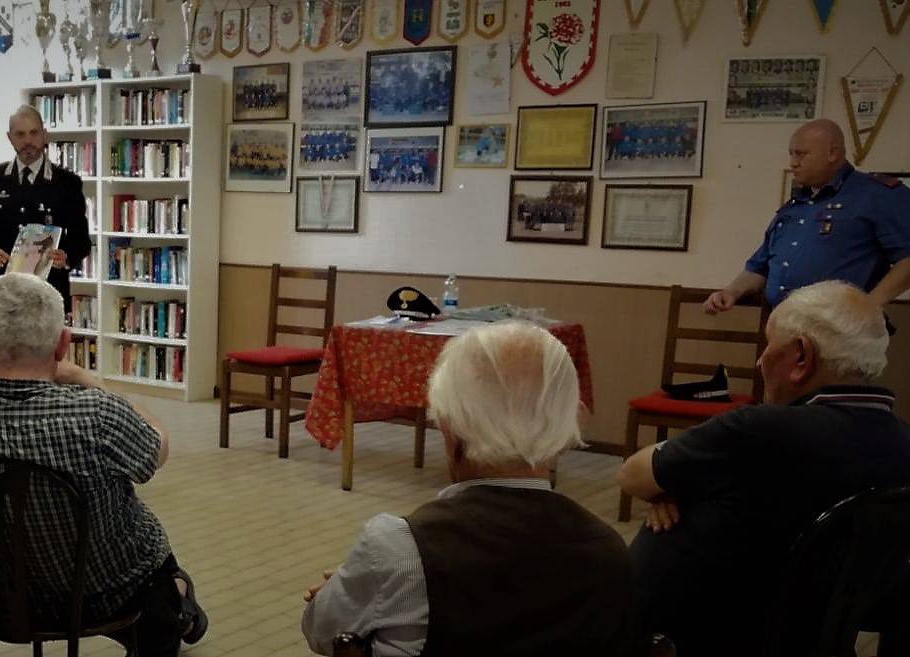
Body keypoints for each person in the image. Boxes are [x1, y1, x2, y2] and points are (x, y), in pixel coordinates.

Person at [302, 321, 639, 657]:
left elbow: (321, 630)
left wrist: (354, 585)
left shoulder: (397, 548)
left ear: (449, 426)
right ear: (571, 423)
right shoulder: (611, 555)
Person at [0, 273, 208, 657]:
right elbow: (156, 450)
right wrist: (88, 381)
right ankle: (178, 603)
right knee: (161, 576)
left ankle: (177, 602)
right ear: (62, 345)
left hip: (7, 595)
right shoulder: (95, 415)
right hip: (110, 593)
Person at [621, 281, 910, 656]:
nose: (760, 361)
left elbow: (632, 474)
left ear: (801, 356)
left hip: (698, 637)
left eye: (768, 345)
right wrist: (677, 486)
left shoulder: (756, 429)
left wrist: (671, 485)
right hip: (811, 639)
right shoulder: (903, 445)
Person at [704, 119, 910, 315]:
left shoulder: (876, 195)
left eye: (801, 154)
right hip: (784, 325)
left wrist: (868, 307)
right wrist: (731, 291)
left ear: (833, 153)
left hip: (842, 329)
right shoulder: (796, 206)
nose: (793, 163)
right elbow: (760, 267)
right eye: (791, 154)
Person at [0, 105, 92, 315]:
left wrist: (66, 257)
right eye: (20, 134)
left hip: (48, 292)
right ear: (10, 138)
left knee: (45, 348)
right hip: (3, 290)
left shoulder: (67, 183)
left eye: (34, 133)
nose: (28, 141)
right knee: (2, 348)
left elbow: (82, 241)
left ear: (44, 135)